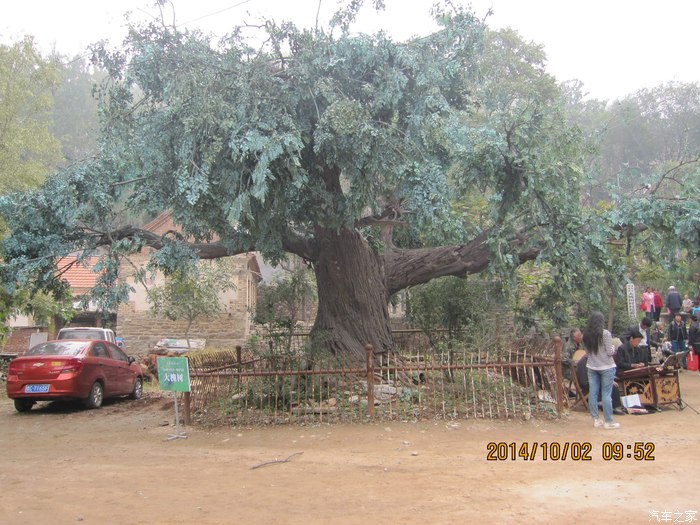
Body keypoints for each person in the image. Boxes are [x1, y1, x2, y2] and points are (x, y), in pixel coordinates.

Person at [582, 311, 619, 429]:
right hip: (606, 367)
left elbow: (587, 352)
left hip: (592, 367)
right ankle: (609, 421)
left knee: (593, 392)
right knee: (606, 394)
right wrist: (613, 347)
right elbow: (610, 352)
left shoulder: (586, 335)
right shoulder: (605, 334)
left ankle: (596, 419)